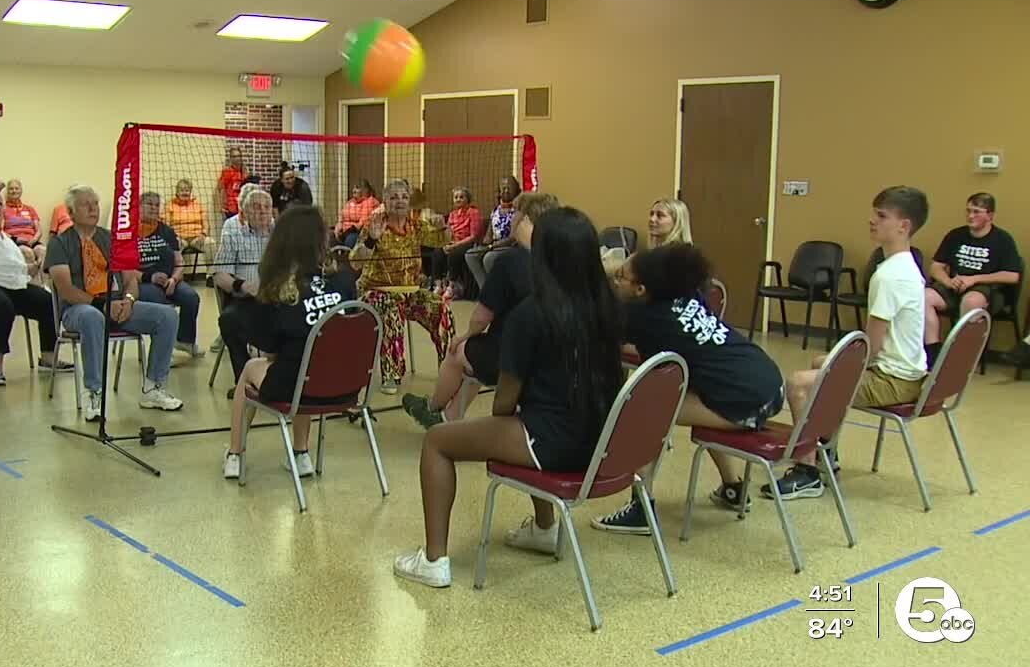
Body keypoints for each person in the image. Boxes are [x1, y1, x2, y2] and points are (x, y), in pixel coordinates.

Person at [393, 206, 624, 588]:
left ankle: (432, 561)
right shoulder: (608, 308)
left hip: (555, 444)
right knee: (529, 419)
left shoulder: (530, 316)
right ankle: (545, 528)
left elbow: (503, 405)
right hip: (605, 441)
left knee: (437, 441)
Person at [591, 244, 785, 533]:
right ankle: (733, 487)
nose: (615, 282)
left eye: (620, 277)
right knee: (682, 400)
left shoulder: (642, 317)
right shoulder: (687, 295)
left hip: (746, 403)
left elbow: (605, 335)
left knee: (647, 411)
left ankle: (641, 508)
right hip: (770, 382)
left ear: (641, 290)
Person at [767, 186, 930, 500]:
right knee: (820, 364)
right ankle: (827, 452)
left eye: (881, 216)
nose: (872, 220)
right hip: (906, 371)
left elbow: (871, 348)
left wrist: (835, 368)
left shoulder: (889, 277)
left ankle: (807, 471)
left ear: (903, 226)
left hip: (893, 379)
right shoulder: (906, 266)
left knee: (800, 384)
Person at [221, 205, 358, 479]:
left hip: (297, 386)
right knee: (309, 364)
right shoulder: (344, 281)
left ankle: (235, 454)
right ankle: (301, 454)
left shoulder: (280, 290)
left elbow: (272, 351)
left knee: (254, 370)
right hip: (345, 385)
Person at [402, 192, 561, 427]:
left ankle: (432, 408)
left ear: (525, 219)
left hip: (513, 358)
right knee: (476, 352)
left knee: (459, 349)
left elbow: (481, 317)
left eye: (516, 213)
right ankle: (449, 417)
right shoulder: (559, 259)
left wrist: (465, 336)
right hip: (551, 356)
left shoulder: (510, 262)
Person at [45, 184, 184, 421]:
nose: (93, 208)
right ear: (71, 211)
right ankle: (93, 392)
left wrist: (129, 301)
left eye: (95, 203)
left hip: (118, 306)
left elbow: (131, 279)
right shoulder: (60, 243)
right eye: (85, 204)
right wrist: (103, 305)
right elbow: (66, 289)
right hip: (80, 310)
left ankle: (153, 388)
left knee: (167, 316)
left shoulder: (111, 239)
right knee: (92, 317)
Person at [0, 179, 72, 385]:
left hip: (10, 287)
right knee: (1, 305)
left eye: (1, 204)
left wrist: (34, 268)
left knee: (47, 301)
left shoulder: (7, 240)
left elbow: (17, 271)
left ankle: (48, 357)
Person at [351, 178, 455, 395]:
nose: (400, 201)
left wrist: (442, 226)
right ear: (385, 201)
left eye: (404, 197)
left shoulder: (416, 225)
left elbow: (443, 241)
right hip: (375, 292)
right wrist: (371, 239)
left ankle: (449, 368)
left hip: (409, 292)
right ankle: (392, 374)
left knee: (441, 307)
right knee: (390, 310)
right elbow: (355, 263)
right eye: (394, 197)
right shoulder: (375, 224)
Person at [922, 192, 1021, 366]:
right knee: (924, 297)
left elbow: (1012, 276)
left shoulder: (1002, 239)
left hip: (986, 290)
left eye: (976, 212)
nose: (970, 216)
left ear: (990, 215)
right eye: (968, 211)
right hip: (954, 286)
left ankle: (962, 356)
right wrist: (948, 281)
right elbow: (936, 267)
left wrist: (974, 279)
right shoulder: (955, 235)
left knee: (971, 301)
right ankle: (933, 352)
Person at [212, 186, 274, 395]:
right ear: (245, 213)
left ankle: (285, 376)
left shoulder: (281, 234)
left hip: (278, 299)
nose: (263, 211)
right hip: (245, 299)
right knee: (228, 320)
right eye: (257, 207)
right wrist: (242, 285)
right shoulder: (232, 235)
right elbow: (220, 275)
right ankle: (245, 380)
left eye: (267, 207)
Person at [135, 191, 202, 359]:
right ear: (139, 206)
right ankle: (163, 350)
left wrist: (174, 279)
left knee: (191, 297)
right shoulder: (130, 232)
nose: (154, 208)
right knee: (159, 301)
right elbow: (124, 270)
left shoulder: (167, 231)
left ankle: (185, 341)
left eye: (157, 205)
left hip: (169, 279)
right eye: (149, 204)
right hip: (142, 282)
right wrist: (149, 277)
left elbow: (179, 261)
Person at [464, 175, 522, 288]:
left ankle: (498, 291)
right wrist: (485, 241)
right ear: (499, 192)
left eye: (509, 188)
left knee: (489, 258)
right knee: (470, 255)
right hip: (493, 245)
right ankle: (486, 290)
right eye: (503, 188)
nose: (506, 191)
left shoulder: (519, 210)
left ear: (517, 190)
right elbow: (489, 233)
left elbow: (513, 237)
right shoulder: (496, 210)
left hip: (511, 247)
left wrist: (492, 246)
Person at [434, 186, 483, 299]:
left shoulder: (473, 212)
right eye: (456, 197)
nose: (458, 199)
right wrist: (446, 243)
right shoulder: (452, 214)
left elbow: (473, 236)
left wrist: (454, 246)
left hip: (467, 243)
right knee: (437, 251)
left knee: (454, 253)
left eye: (461, 197)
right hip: (454, 242)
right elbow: (449, 232)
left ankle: (451, 287)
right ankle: (438, 286)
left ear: (467, 199)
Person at [166, 178, 215, 277]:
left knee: (210, 243)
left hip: (197, 238)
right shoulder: (170, 205)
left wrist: (203, 234)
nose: (185, 192)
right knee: (172, 246)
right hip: (179, 237)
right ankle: (176, 276)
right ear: (177, 192)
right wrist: (173, 237)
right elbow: (166, 225)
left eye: (187, 190)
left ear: (190, 191)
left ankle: (211, 276)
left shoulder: (198, 205)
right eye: (182, 190)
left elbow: (205, 223)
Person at [2, 178, 45, 270]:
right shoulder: (3, 209)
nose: (14, 191)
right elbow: (0, 231)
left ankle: (44, 283)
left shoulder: (29, 209)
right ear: (7, 192)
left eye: (16, 188)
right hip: (15, 241)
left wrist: (34, 239)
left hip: (31, 240)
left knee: (43, 251)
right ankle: (32, 283)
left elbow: (39, 230)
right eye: (11, 189)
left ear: (21, 190)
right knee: (27, 252)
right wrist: (17, 239)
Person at [337, 179, 379, 248]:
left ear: (364, 190)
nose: (354, 190)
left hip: (357, 233)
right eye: (354, 188)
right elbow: (342, 215)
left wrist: (346, 230)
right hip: (344, 231)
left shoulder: (369, 202)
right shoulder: (351, 201)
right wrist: (339, 225)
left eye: (357, 188)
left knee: (350, 240)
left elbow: (361, 225)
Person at [216, 147, 249, 220]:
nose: (237, 158)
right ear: (231, 158)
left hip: (243, 207)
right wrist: (221, 206)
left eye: (238, 156)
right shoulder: (227, 172)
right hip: (231, 208)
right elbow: (220, 189)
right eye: (234, 156)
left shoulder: (245, 172)